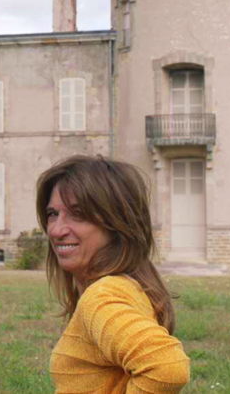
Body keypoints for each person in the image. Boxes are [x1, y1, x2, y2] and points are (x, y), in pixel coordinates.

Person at [37, 156, 190, 393]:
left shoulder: (101, 297)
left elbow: (167, 368)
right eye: (52, 214)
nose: (56, 230)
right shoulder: (128, 286)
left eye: (78, 213)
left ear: (117, 222)